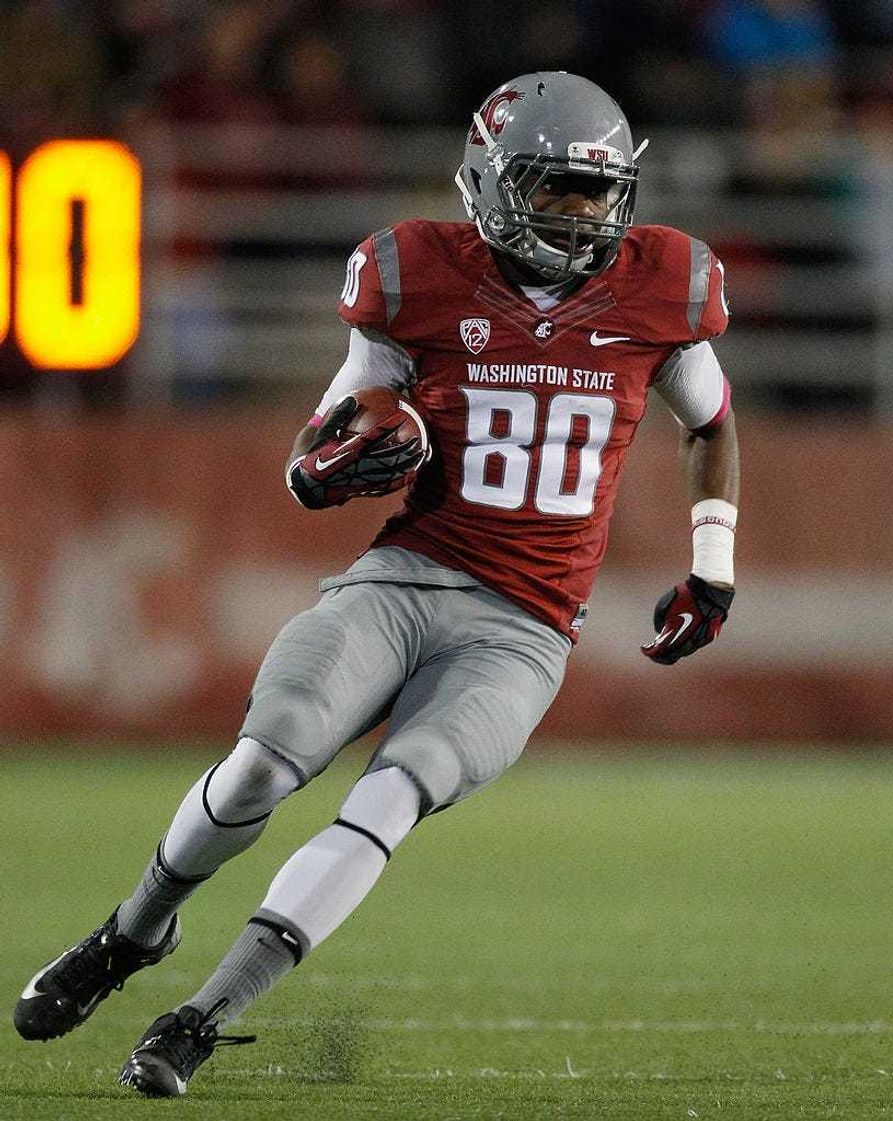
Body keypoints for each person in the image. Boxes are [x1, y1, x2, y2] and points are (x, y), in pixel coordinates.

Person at [13, 71, 740, 1097]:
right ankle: (131, 934)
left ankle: (201, 1015)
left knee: (391, 795)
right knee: (265, 764)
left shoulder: (662, 283)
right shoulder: (413, 272)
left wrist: (712, 565)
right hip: (403, 578)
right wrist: (317, 466)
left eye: (596, 192)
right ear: (489, 182)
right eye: (552, 190)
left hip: (524, 628)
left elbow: (708, 419)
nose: (580, 218)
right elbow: (327, 432)